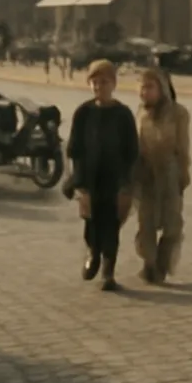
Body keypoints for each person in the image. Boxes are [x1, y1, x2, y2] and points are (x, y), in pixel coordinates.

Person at [66, 60, 139, 292]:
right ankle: (93, 254)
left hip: (114, 180)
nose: (99, 87)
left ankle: (108, 269)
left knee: (112, 223)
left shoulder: (123, 114)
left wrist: (126, 183)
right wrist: (79, 184)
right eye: (95, 82)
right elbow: (75, 150)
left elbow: (131, 151)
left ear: (114, 84)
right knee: (91, 221)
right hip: (89, 179)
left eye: (104, 82)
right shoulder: (84, 113)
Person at [134, 67, 191, 284]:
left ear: (162, 89)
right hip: (146, 174)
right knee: (146, 223)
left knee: (172, 224)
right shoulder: (140, 113)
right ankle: (149, 264)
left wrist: (183, 175)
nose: (144, 92)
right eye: (141, 87)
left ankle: (163, 263)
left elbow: (183, 147)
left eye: (149, 87)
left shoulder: (179, 114)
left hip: (170, 172)